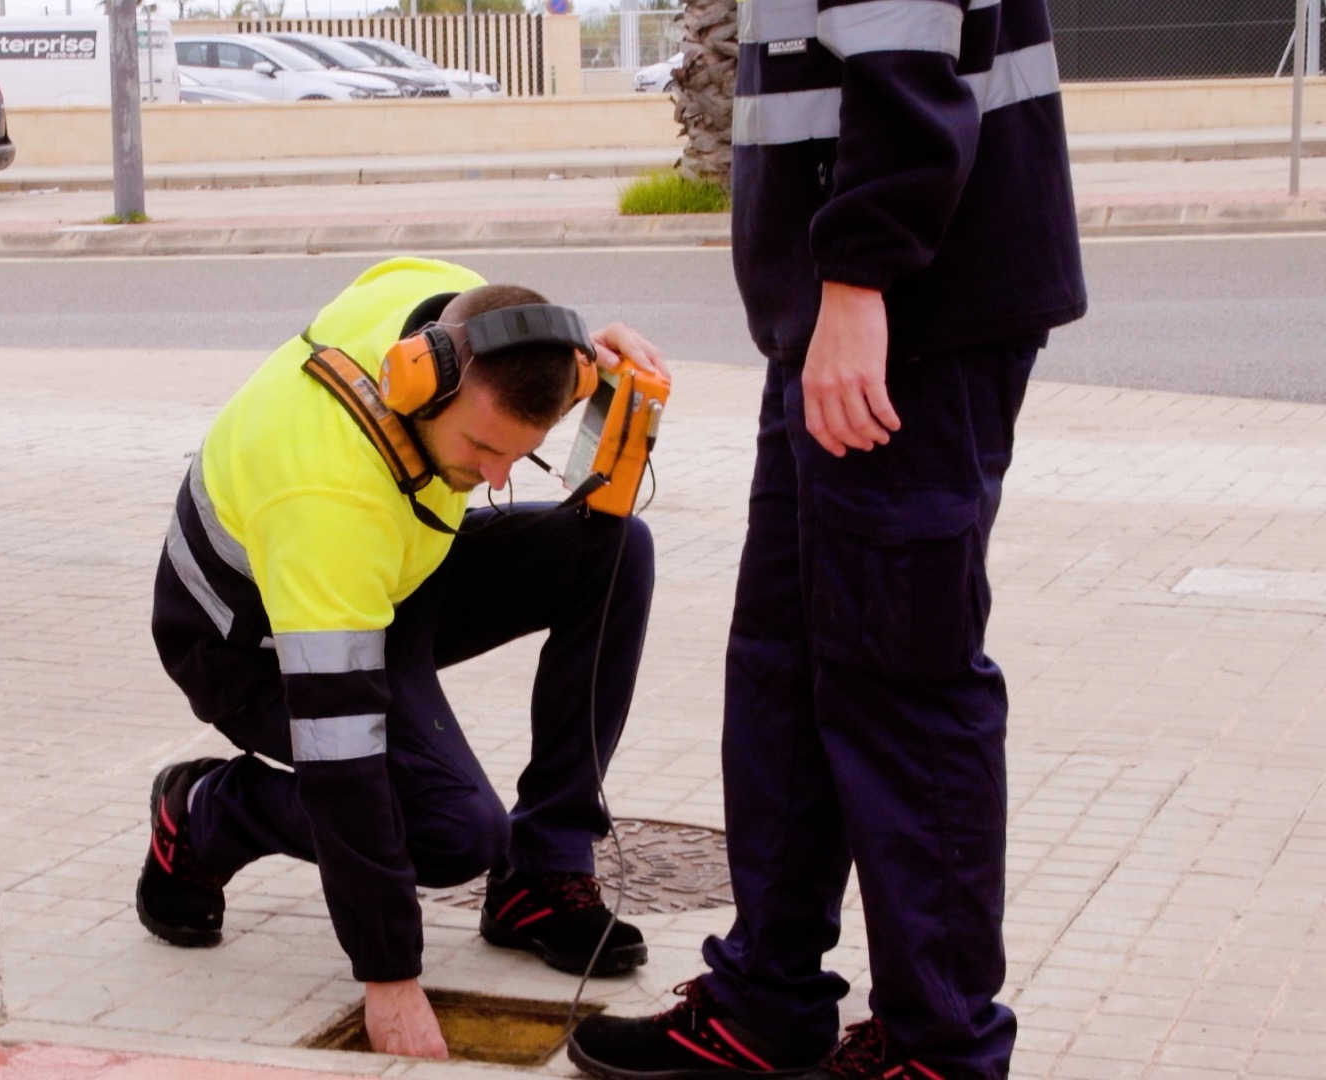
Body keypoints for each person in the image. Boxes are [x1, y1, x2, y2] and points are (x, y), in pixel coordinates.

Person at [567, 0, 1087, 1078]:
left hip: (901, 318)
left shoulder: (874, 288)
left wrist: (861, 276)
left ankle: (940, 1046)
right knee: (788, 669)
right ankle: (768, 1002)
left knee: (901, 683)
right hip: (847, 318)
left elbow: (902, 52)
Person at [139, 256, 671, 1059]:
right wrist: (390, 977)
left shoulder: (449, 316)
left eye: (515, 455)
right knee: (452, 833)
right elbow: (341, 760)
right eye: (483, 448)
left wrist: (588, 367)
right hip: (254, 643)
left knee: (613, 550)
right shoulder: (326, 498)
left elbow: (520, 346)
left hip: (394, 572)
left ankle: (541, 875)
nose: (496, 479)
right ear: (420, 385)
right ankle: (208, 813)